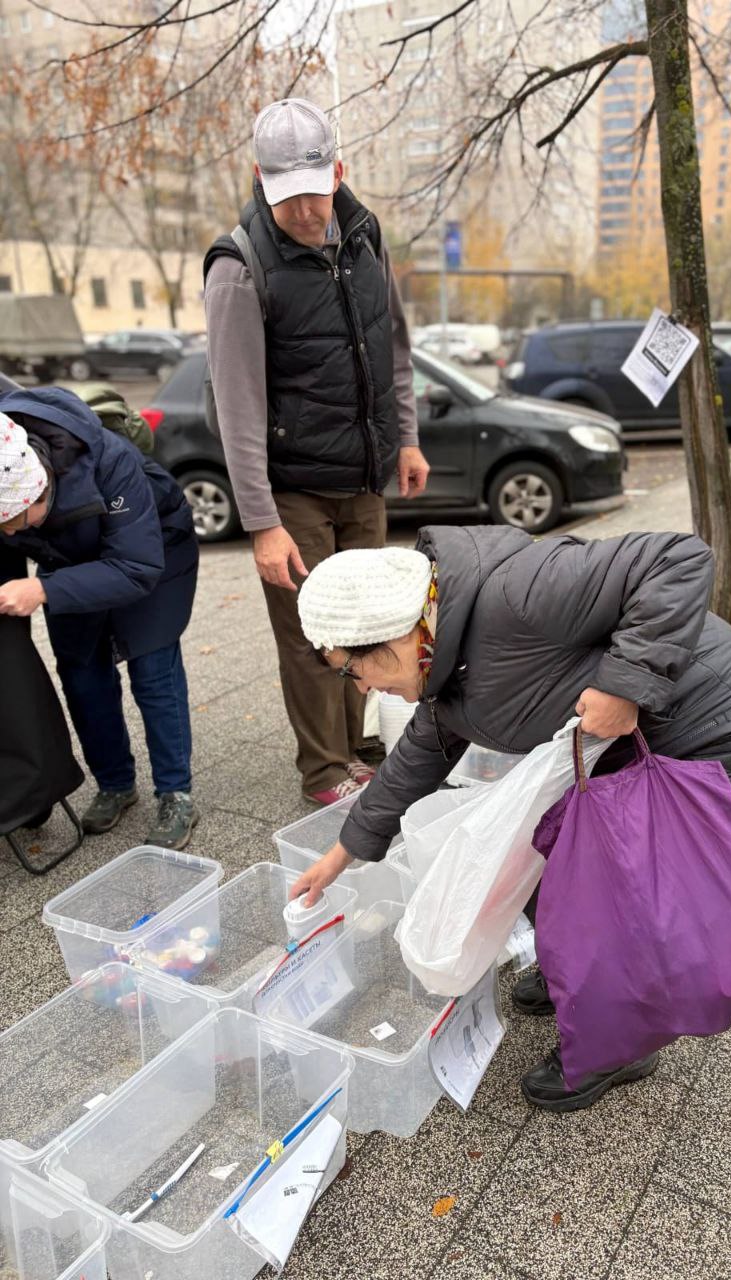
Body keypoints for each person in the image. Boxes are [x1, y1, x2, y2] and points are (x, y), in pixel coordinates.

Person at [289, 526, 731, 1112]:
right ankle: (577, 980)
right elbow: (423, 751)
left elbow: (678, 558)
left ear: (389, 637)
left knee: (647, 902)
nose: (361, 688)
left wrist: (623, 684)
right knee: (565, 868)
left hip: (713, 732)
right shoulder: (440, 657)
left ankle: (620, 1043)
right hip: (618, 745)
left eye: (351, 671)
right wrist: (342, 853)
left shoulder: (515, 595)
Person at [203, 97, 430, 807]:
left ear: (339, 170)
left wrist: (408, 437)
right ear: (261, 179)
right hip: (292, 484)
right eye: (287, 198)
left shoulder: (365, 236)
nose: (304, 213)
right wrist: (261, 522)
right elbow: (237, 405)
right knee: (312, 635)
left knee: (375, 620)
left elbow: (392, 343)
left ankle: (365, 746)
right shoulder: (239, 266)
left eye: (314, 193)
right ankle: (325, 771)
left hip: (362, 474)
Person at [0, 392, 200, 849]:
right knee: (82, 673)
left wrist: (42, 589)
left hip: (154, 554)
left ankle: (176, 793)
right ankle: (115, 784)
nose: (7, 532)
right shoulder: (10, 498)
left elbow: (136, 568)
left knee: (153, 670)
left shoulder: (111, 463)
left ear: (37, 489)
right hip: (66, 557)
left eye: (10, 519)